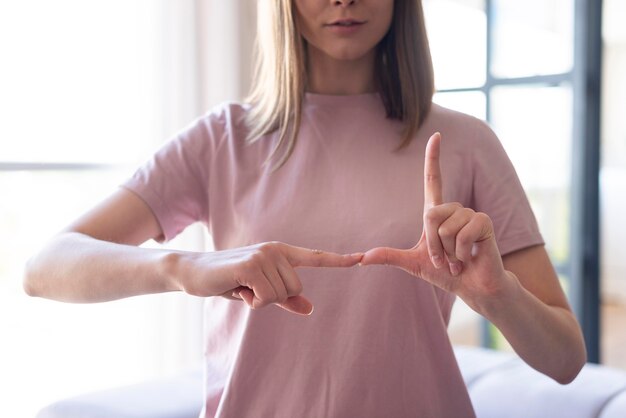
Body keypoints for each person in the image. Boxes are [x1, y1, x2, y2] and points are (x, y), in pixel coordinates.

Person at [24, 0, 586, 416]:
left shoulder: (466, 143)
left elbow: (565, 361)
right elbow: (45, 268)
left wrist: (498, 297)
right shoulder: (222, 138)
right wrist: (185, 268)